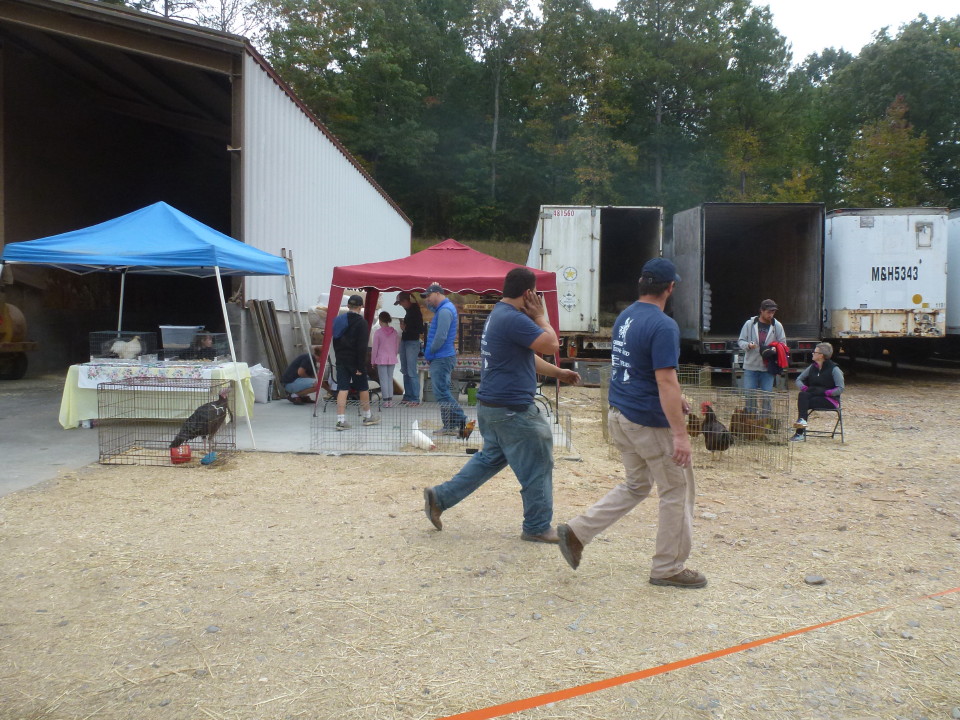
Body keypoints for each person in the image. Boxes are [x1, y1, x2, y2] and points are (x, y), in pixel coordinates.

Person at [556, 258, 707, 589]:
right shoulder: (664, 325)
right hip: (648, 421)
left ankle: (578, 532)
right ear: (670, 288)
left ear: (642, 284)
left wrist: (676, 398)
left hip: (621, 414)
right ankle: (668, 567)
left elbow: (637, 368)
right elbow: (665, 380)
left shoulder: (626, 316)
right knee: (676, 490)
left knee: (637, 485)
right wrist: (680, 435)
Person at [423, 267, 580, 543]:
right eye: (536, 294)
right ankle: (537, 527)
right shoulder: (514, 319)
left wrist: (558, 373)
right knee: (538, 460)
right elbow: (551, 345)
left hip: (492, 407)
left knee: (489, 460)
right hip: (512, 409)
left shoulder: (500, 314)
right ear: (528, 293)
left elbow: (526, 356)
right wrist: (540, 316)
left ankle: (440, 498)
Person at [421, 282, 467, 436]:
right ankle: (449, 426)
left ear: (438, 294)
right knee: (443, 392)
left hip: (441, 357)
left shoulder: (445, 311)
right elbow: (432, 307)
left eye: (429, 295)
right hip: (443, 357)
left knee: (441, 393)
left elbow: (440, 337)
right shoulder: (443, 308)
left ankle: (463, 420)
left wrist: (429, 353)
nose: (427, 299)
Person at [332, 294, 380, 430]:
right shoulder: (361, 323)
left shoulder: (338, 320)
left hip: (341, 359)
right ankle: (367, 416)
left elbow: (334, 341)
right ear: (361, 307)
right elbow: (361, 347)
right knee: (363, 387)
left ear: (348, 306)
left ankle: (341, 421)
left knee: (343, 388)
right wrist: (360, 366)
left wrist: (339, 357)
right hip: (355, 361)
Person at [737, 299, 786, 415]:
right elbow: (741, 340)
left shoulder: (777, 325)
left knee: (767, 396)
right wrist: (748, 345)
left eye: (773, 312)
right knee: (749, 395)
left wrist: (774, 349)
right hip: (751, 366)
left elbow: (783, 344)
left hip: (768, 367)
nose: (771, 315)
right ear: (761, 311)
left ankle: (765, 419)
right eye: (769, 312)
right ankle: (751, 418)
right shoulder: (749, 324)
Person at [790, 342, 844, 441]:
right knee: (802, 395)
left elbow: (840, 388)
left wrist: (827, 392)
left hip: (829, 399)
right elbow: (799, 379)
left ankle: (799, 431)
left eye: (815, 352)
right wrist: (804, 388)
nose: (813, 353)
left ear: (821, 355)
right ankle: (801, 425)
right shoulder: (812, 367)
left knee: (803, 403)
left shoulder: (834, 369)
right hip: (813, 395)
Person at [395, 292, 424, 406]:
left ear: (406, 301)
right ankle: (408, 395)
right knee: (405, 370)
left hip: (412, 342)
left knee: (411, 371)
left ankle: (415, 398)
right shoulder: (409, 311)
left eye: (401, 302)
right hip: (406, 341)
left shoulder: (415, 311)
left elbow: (420, 329)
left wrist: (406, 328)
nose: (401, 305)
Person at [371, 311, 400, 407]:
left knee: (383, 380)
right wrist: (394, 356)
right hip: (392, 358)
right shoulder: (394, 332)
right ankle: (390, 400)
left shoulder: (378, 333)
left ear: (380, 320)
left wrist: (373, 361)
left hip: (381, 358)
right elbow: (396, 347)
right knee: (389, 379)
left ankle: (385, 400)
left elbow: (375, 348)